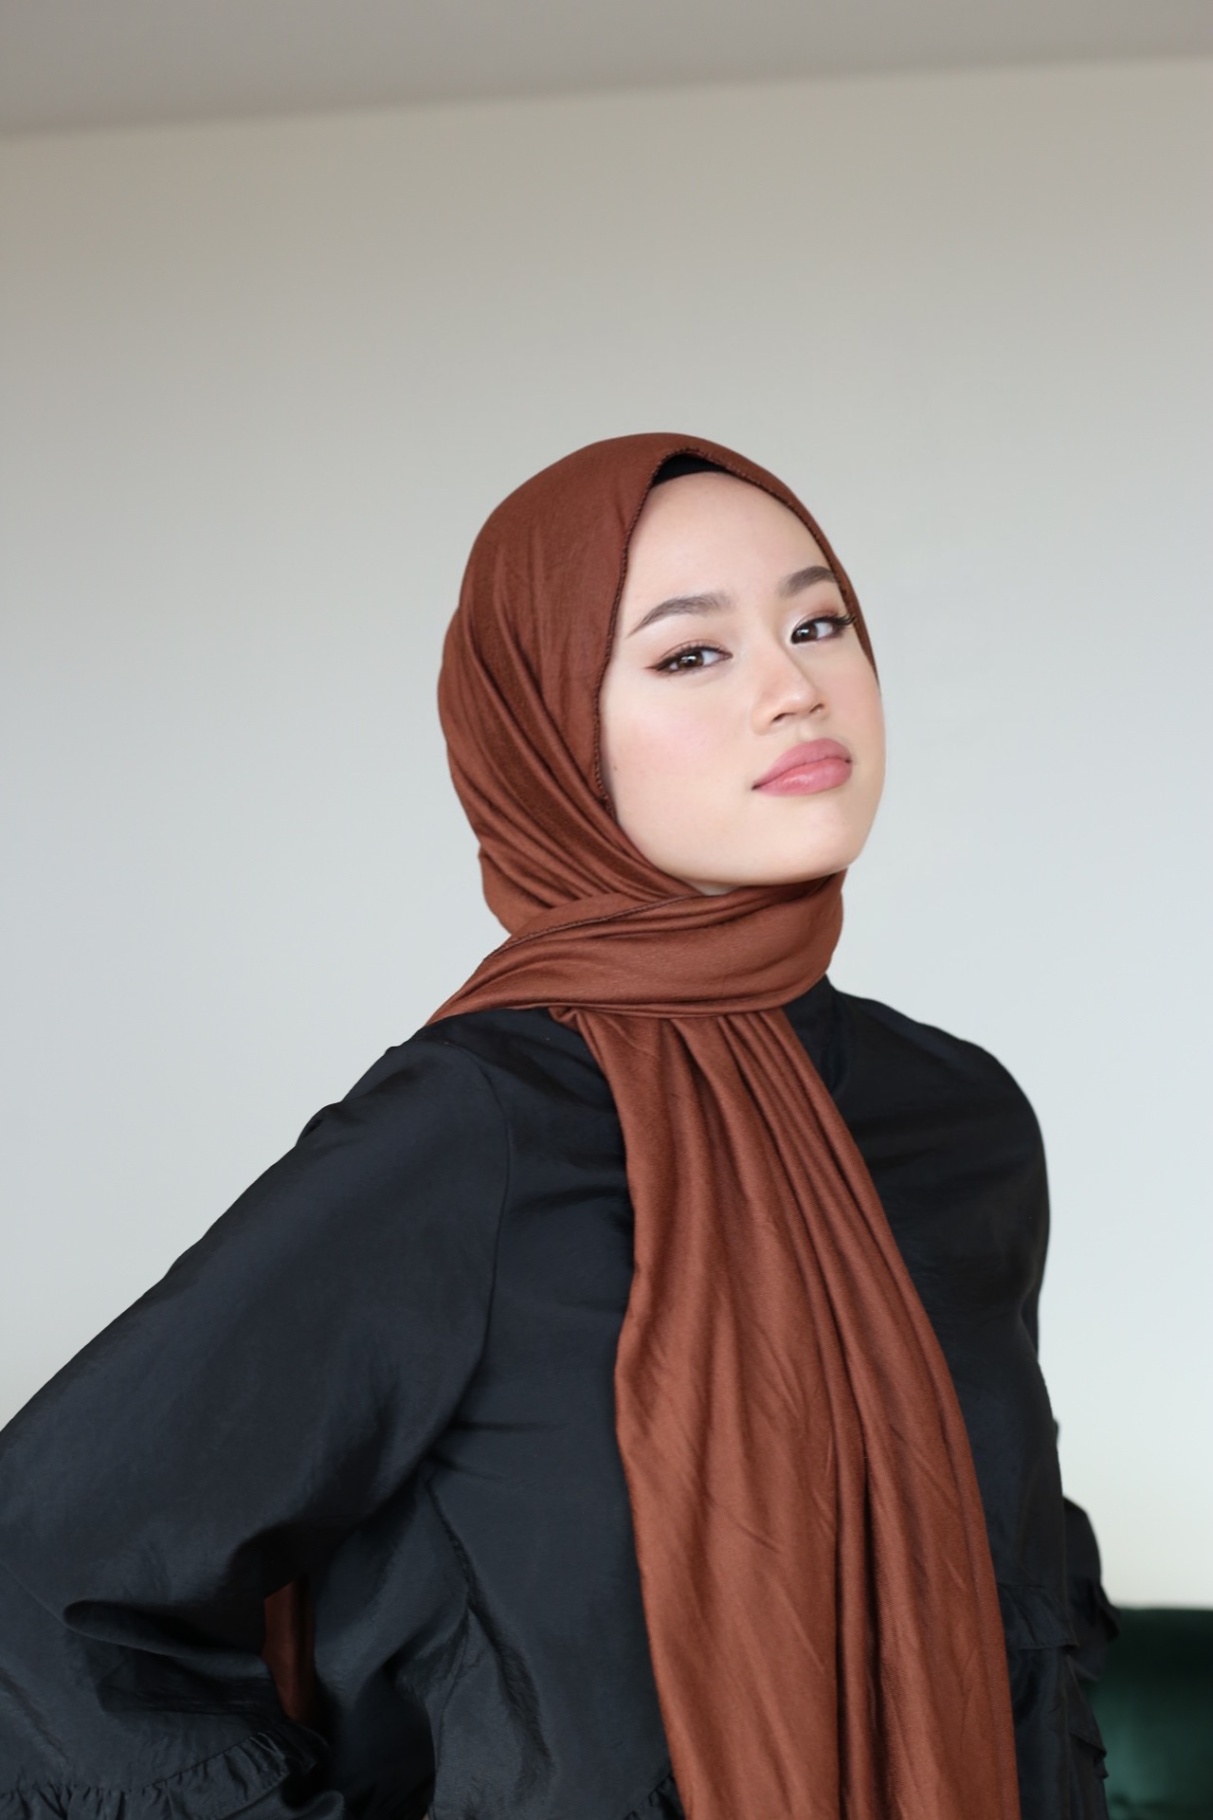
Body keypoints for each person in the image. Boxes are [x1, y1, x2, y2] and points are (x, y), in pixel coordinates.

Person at [0, 433, 1116, 1820]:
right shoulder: (476, 1129)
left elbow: (1024, 1615)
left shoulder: (958, 1119)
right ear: (547, 734)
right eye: (689, 654)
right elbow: (40, 1586)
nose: (793, 688)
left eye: (819, 624)